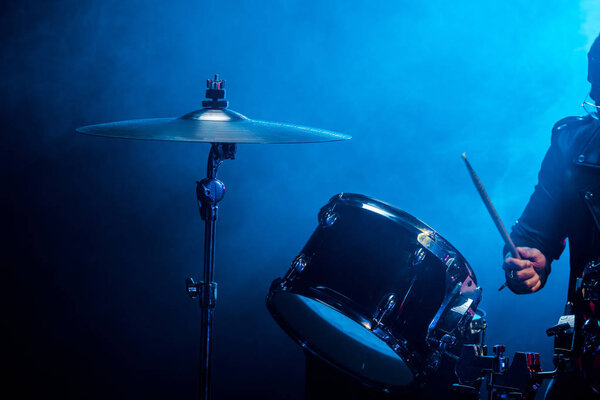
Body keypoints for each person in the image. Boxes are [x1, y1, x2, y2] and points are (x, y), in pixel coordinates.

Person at [503, 34, 600, 399]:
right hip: (587, 353)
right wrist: (529, 263)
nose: (593, 91)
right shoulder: (570, 142)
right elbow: (533, 235)